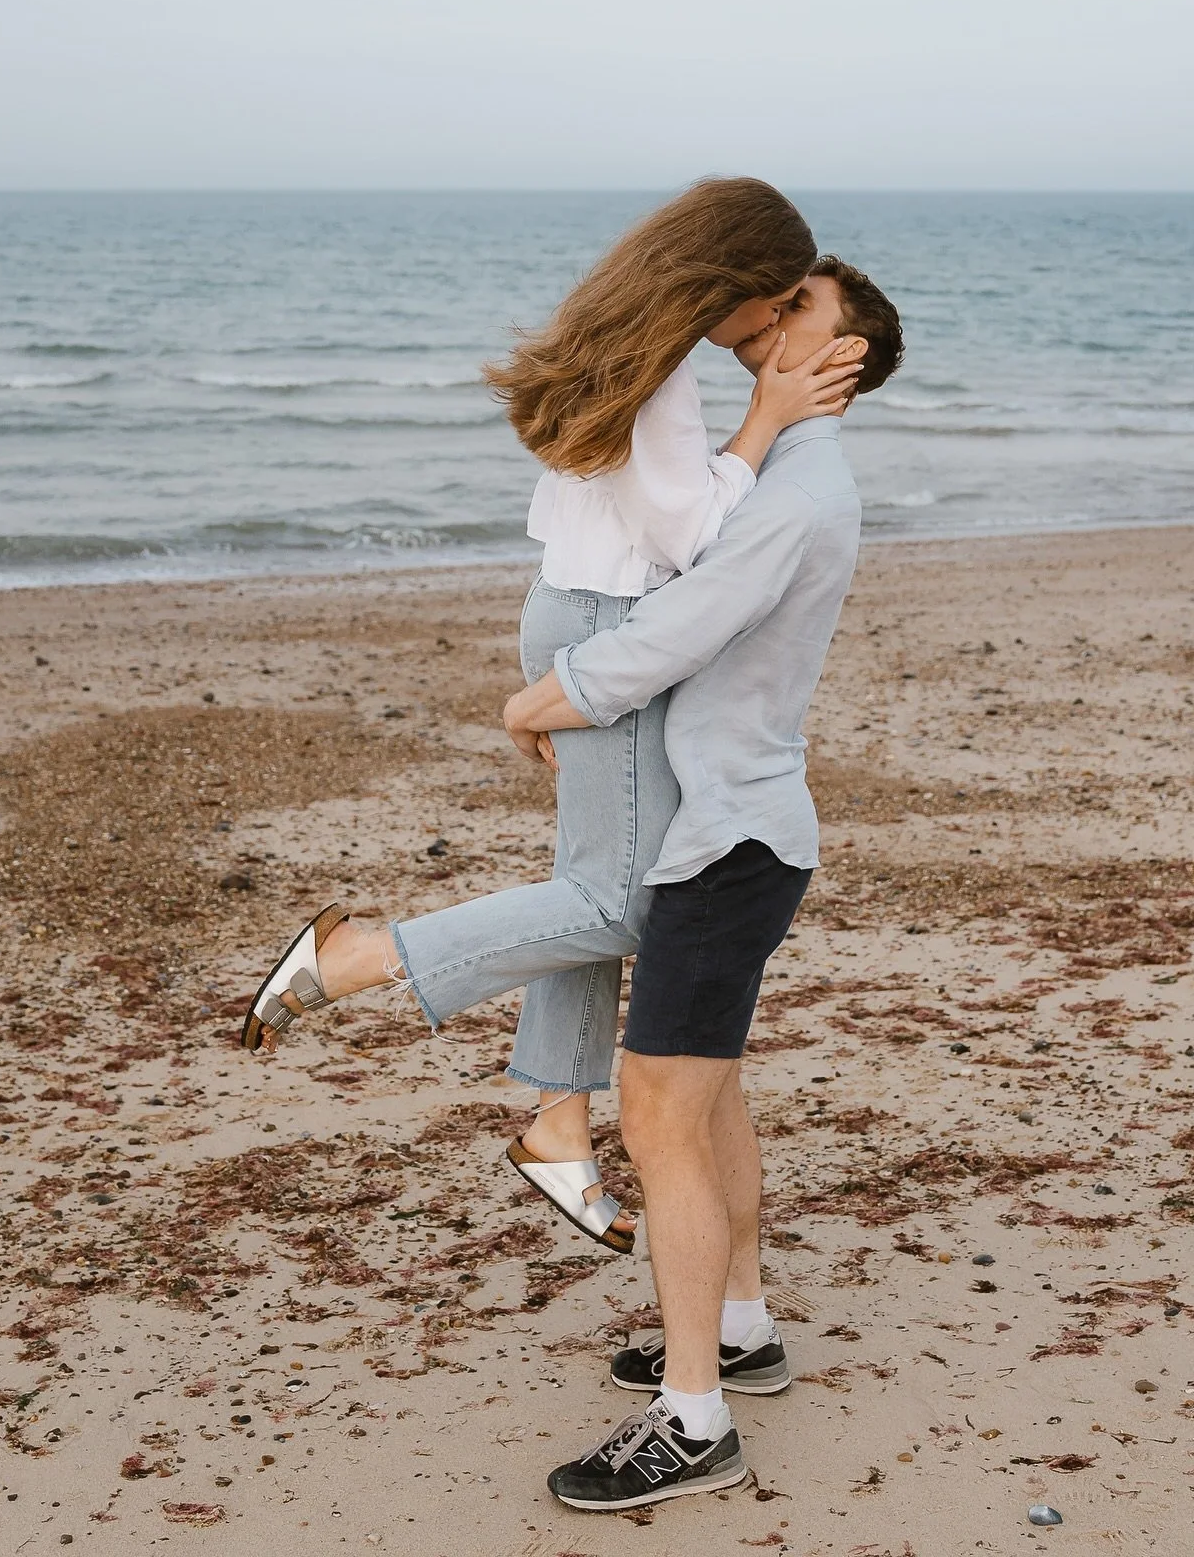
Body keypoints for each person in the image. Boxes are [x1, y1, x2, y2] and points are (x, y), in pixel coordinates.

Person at [239, 179, 861, 1254]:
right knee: (620, 903)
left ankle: (562, 1125)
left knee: (594, 883)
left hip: (575, 607)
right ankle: (356, 957)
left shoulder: (624, 334)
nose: (762, 329)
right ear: (726, 276)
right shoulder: (664, 375)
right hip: (609, 618)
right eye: (765, 304)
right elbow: (686, 539)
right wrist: (768, 419)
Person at [500, 258, 905, 1511]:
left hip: (727, 844)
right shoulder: (781, 466)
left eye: (803, 317)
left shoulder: (803, 486)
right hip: (737, 832)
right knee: (711, 1102)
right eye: (779, 306)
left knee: (663, 1117)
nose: (774, 324)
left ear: (843, 360)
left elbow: (684, 624)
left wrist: (550, 693)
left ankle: (693, 1423)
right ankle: (744, 1330)